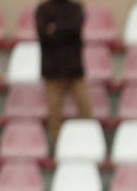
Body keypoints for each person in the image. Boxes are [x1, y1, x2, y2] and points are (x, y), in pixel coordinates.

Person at [35, 0, 91, 143]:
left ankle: (86, 141)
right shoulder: (43, 10)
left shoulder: (76, 9)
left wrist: (56, 28)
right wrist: (66, 29)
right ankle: (56, 145)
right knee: (54, 112)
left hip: (74, 68)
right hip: (52, 69)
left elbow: (75, 28)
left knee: (85, 107)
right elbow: (43, 34)